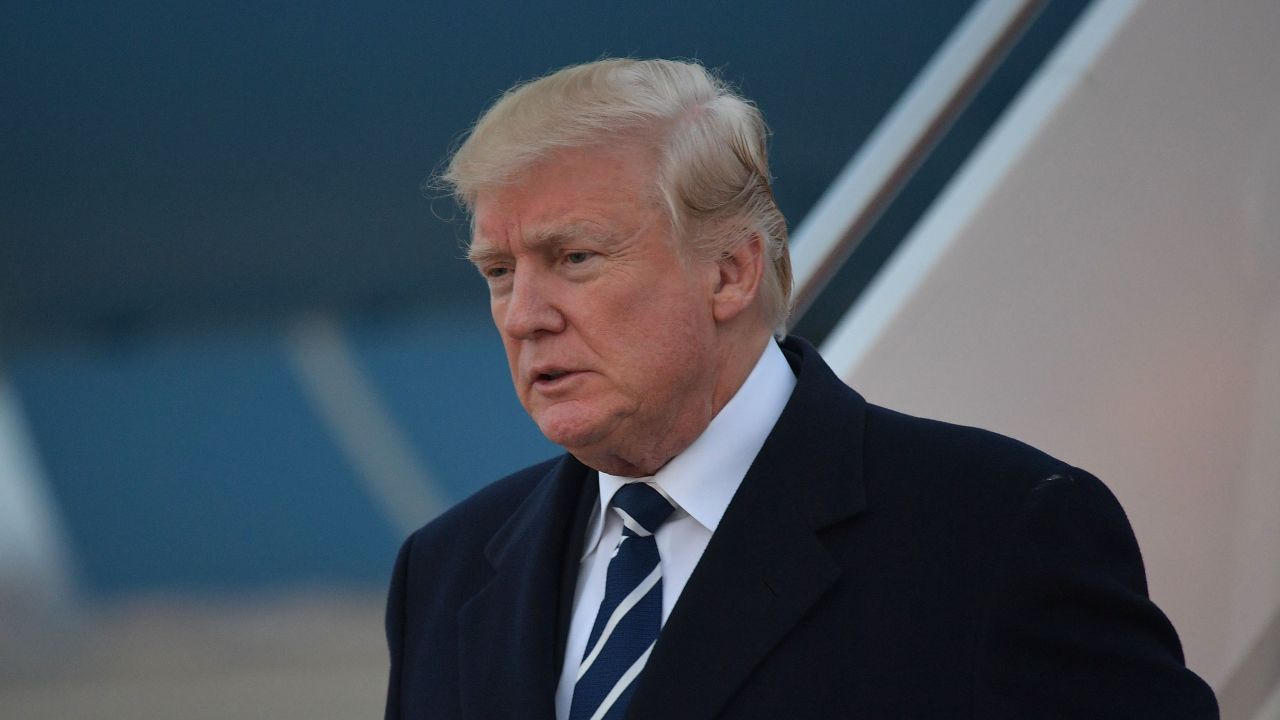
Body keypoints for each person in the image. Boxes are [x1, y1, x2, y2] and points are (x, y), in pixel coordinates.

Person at [384, 58, 1217, 720]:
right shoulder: (447, 568)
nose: (524, 315)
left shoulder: (1000, 531)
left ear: (730, 271)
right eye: (499, 272)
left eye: (575, 259)